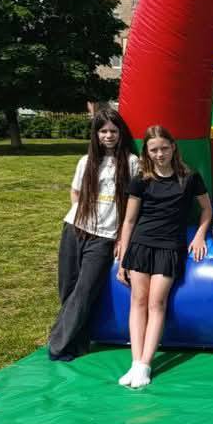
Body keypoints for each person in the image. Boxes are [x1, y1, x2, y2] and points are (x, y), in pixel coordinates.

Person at [116, 126, 212, 389]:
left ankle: (146, 364)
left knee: (157, 303)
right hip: (141, 245)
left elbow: (206, 209)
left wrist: (200, 235)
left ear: (173, 147)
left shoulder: (189, 177)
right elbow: (129, 221)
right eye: (154, 150)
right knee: (138, 301)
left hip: (169, 247)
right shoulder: (141, 179)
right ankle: (135, 362)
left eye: (164, 148)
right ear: (147, 152)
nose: (160, 154)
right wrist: (123, 259)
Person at [48, 108, 138, 361]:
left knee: (85, 290)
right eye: (103, 131)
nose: (108, 136)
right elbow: (75, 193)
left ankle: (56, 345)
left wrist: (122, 237)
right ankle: (77, 342)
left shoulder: (132, 162)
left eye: (113, 131)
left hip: (105, 237)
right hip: (74, 229)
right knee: (68, 287)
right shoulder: (86, 161)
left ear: (121, 133)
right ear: (96, 134)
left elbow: (133, 204)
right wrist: (79, 214)